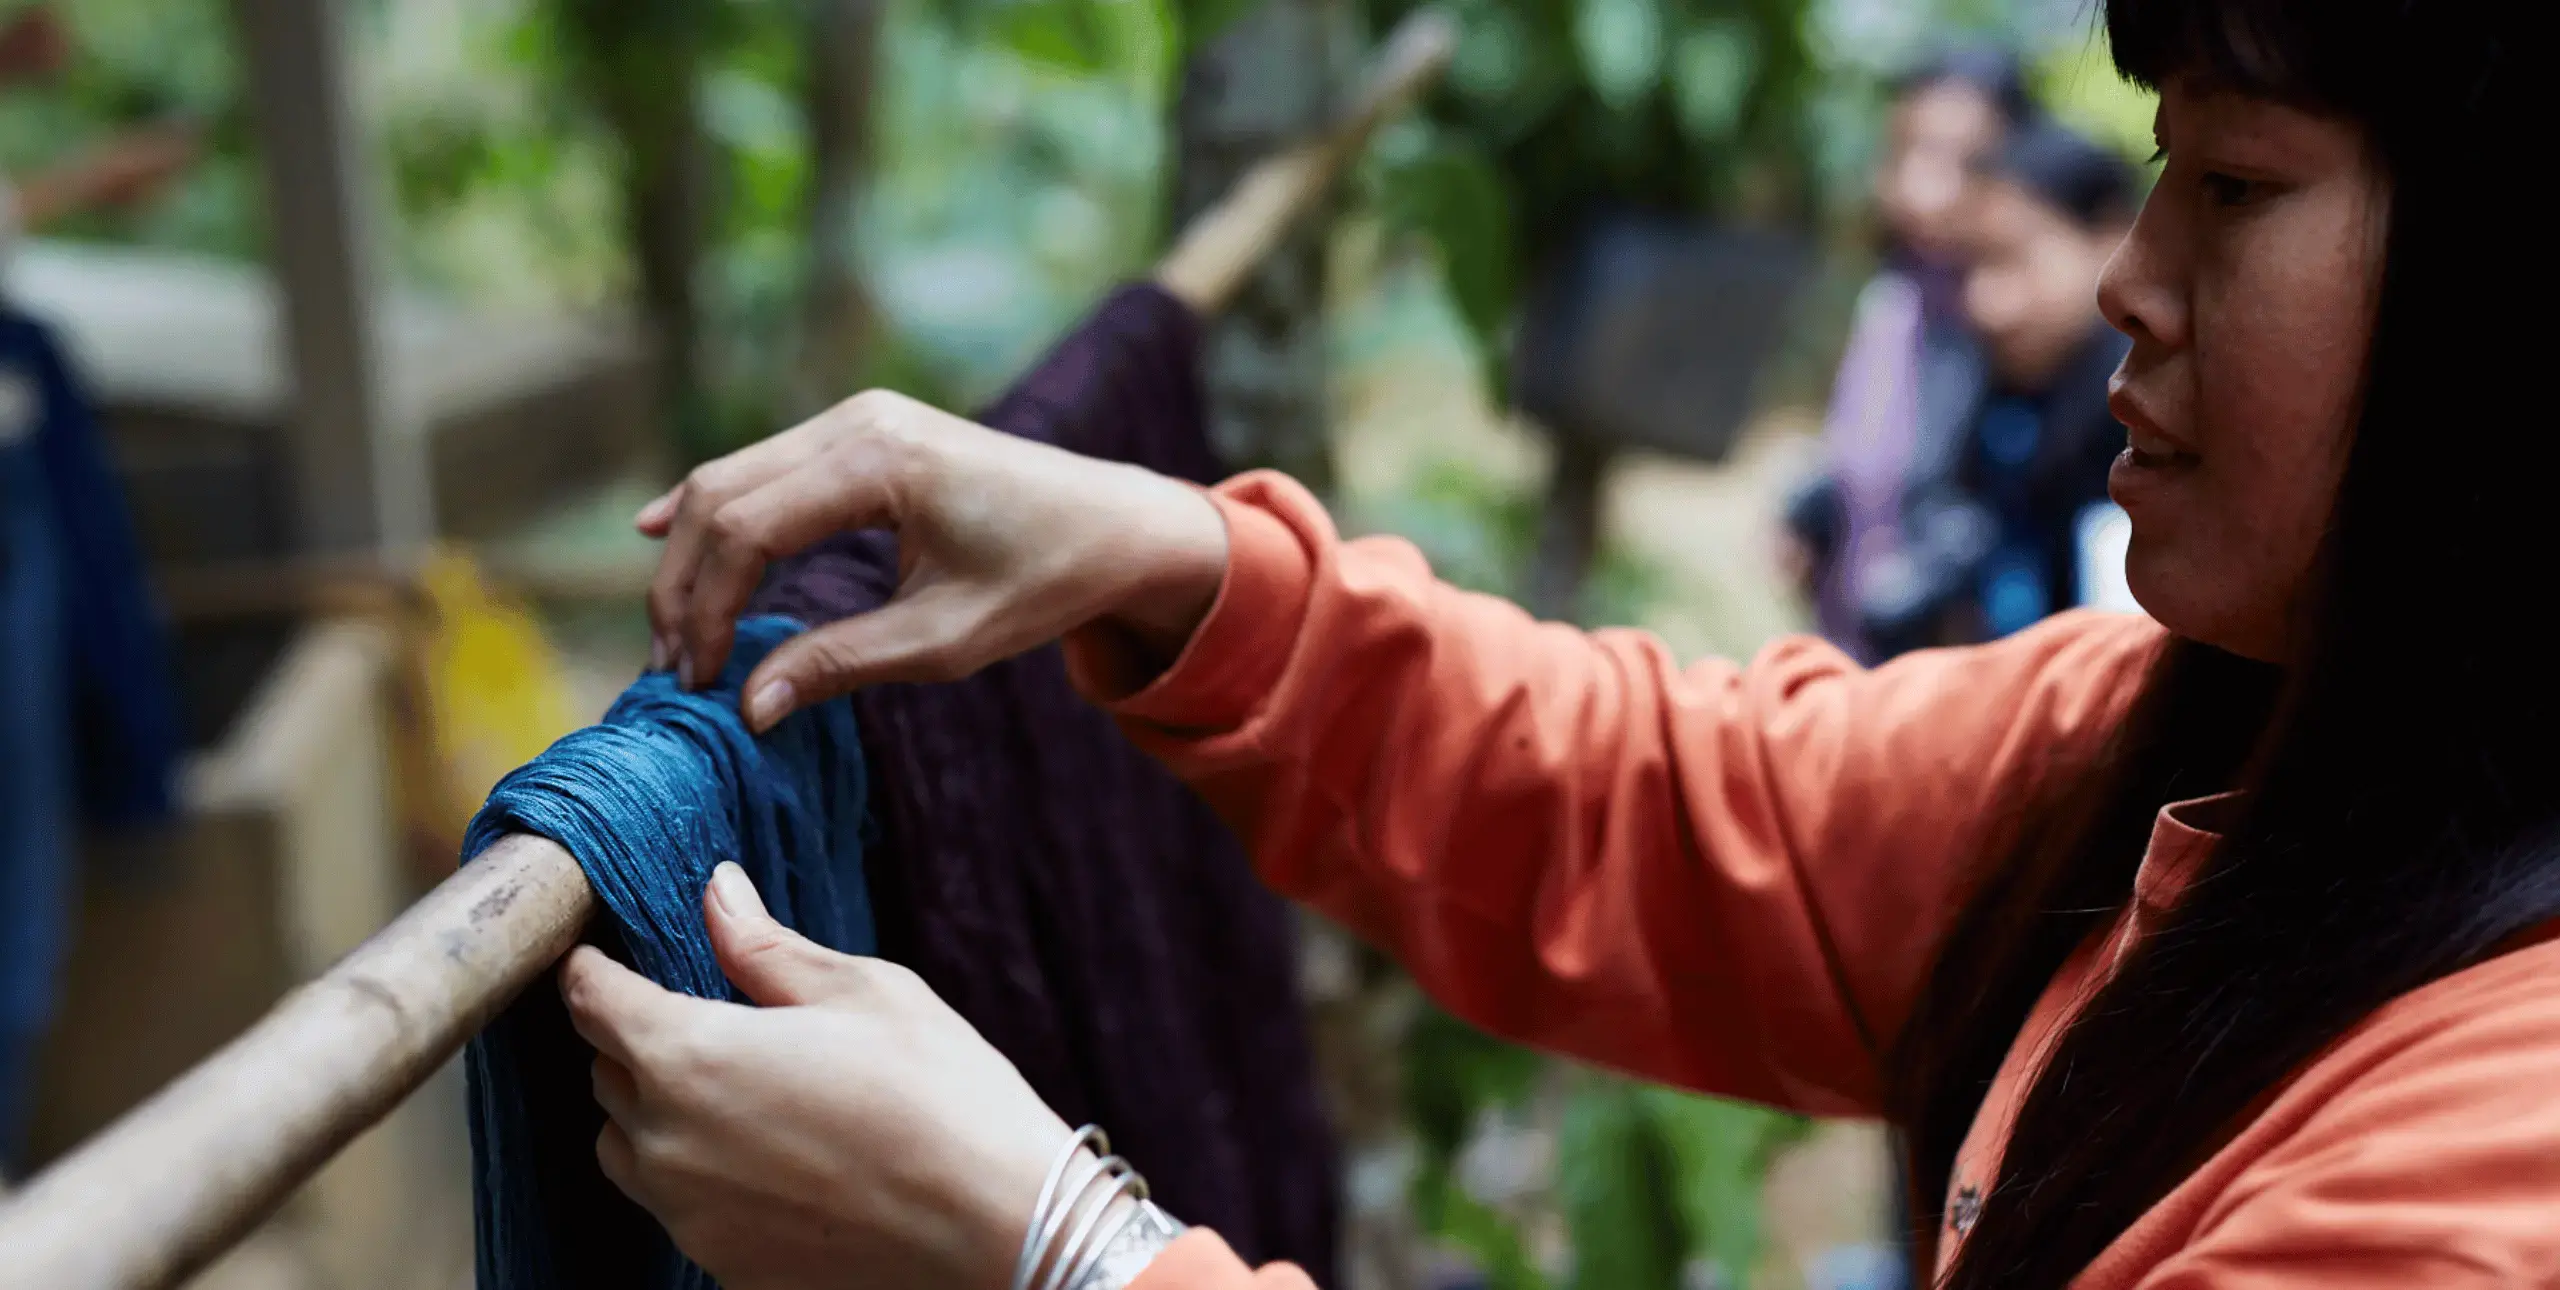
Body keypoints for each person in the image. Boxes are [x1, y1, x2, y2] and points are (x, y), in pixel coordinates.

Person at [575, 0, 2560, 1286]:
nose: (2129, 277)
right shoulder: (2217, 748)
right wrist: (1172, 564)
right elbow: (1686, 807)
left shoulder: (2495, 1171)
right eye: (2152, 168)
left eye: (2228, 185)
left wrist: (1049, 1247)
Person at [1781, 46, 2031, 663]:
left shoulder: (2005, 317)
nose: (1922, 189)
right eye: (1909, 152)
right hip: (1847, 635)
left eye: (1962, 161)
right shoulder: (1894, 293)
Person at [1860, 120, 2138, 654]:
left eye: (2012, 258)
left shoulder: (2138, 419)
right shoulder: (1991, 387)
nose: (1984, 300)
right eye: (1972, 265)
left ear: (2110, 238)